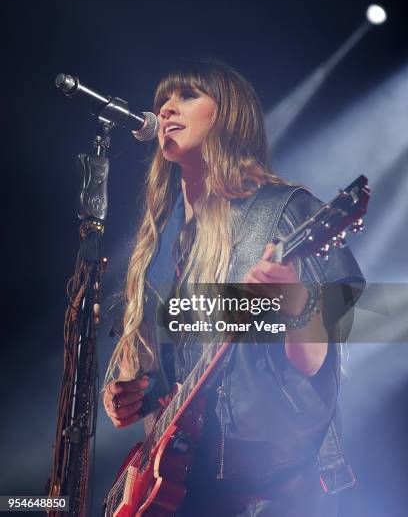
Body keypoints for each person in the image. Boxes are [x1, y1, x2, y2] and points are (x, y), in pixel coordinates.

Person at [103, 59, 365, 516]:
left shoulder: (284, 210)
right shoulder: (162, 240)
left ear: (228, 116)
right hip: (187, 484)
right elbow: (171, 365)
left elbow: (314, 364)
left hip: (271, 486)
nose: (165, 109)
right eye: (162, 100)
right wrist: (132, 394)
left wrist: (294, 303)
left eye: (186, 96)